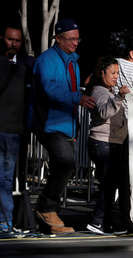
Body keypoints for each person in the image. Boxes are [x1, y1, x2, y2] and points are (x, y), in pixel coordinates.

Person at [32, 18, 95, 234]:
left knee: (67, 165)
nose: (76, 43)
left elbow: (70, 91)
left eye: (77, 39)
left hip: (67, 124)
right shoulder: (46, 60)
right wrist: (77, 98)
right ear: (58, 39)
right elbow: (50, 90)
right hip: (49, 123)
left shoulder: (72, 62)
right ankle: (46, 207)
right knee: (65, 161)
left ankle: (48, 213)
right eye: (71, 39)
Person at [85, 57, 130, 234]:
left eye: (118, 73)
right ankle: (98, 221)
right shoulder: (99, 91)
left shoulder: (108, 92)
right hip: (103, 143)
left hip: (111, 143)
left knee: (111, 184)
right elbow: (104, 112)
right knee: (109, 184)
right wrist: (119, 97)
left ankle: (107, 222)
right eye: (112, 73)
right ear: (102, 73)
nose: (116, 77)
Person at [0, 22, 34, 234]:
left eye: (17, 40)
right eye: (10, 39)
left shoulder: (26, 66)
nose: (13, 44)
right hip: (9, 128)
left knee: (5, 178)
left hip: (12, 130)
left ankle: (5, 222)